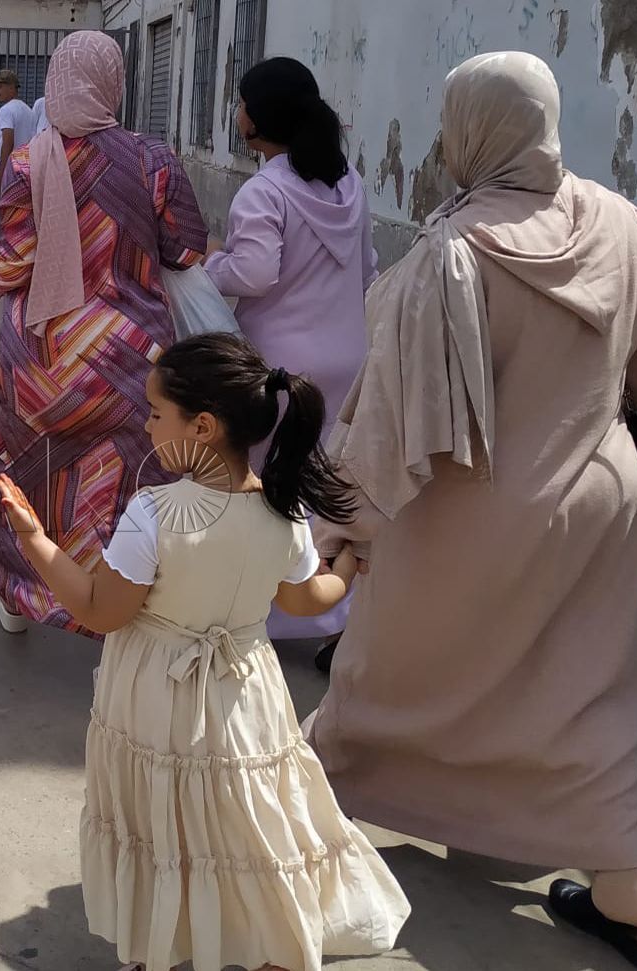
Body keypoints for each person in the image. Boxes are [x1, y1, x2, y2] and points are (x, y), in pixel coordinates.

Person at [307, 51, 637, 971]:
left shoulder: (451, 253)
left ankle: (312, 809)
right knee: (585, 688)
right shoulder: (627, 225)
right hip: (601, 498)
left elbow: (395, 428)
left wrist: (339, 525)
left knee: (395, 669)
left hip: (469, 510)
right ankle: (624, 880)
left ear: (472, 128)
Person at [0, 332, 410, 971]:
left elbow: (100, 609)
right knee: (242, 814)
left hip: (158, 689)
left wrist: (34, 540)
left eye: (157, 412)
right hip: (246, 690)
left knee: (165, 816)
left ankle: (162, 940)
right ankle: (265, 935)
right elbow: (305, 600)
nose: (147, 422)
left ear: (204, 426)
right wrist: (348, 565)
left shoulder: (155, 513)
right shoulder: (284, 510)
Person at [0, 30, 208, 636]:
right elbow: (187, 250)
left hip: (36, 361)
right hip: (131, 363)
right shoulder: (152, 160)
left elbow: (10, 264)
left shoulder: (27, 162)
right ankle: (127, 600)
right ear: (115, 81)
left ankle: (20, 595)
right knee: (130, 483)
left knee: (30, 476)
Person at [204, 57, 375, 660]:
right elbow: (368, 272)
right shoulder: (347, 185)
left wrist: (212, 263)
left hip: (278, 364)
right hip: (346, 356)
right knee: (325, 485)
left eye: (243, 102)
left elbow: (253, 271)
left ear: (258, 120)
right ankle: (336, 611)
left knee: (269, 488)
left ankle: (269, 614)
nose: (238, 112)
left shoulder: (265, 190)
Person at [0, 69, 34, 245]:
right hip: (24, 167)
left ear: (12, 88)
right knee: (17, 215)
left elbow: (8, 141)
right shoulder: (28, 111)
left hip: (6, 168)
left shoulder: (6, 110)